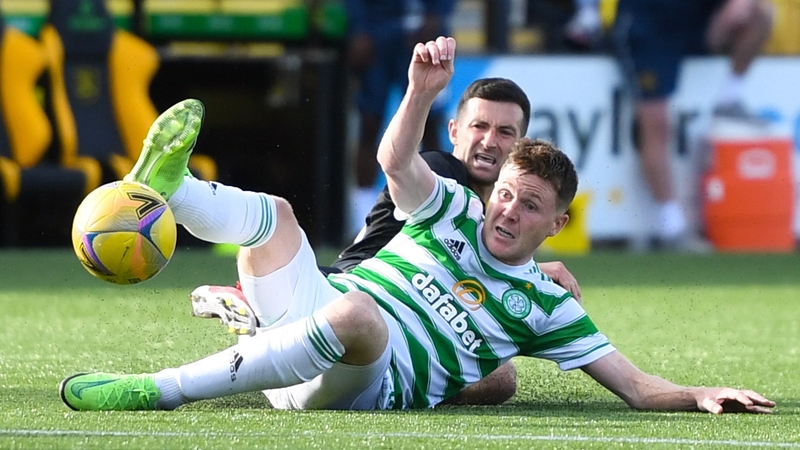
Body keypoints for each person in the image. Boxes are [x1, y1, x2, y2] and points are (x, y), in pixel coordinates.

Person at [60, 37, 775, 415]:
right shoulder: (454, 200)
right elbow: (393, 159)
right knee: (275, 217)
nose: (506, 208)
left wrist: (699, 393)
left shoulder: (550, 304)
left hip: (362, 369)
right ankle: (172, 189)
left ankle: (160, 386)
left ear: (556, 223)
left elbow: (638, 386)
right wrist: (419, 92)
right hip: (324, 308)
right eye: (506, 197)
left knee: (411, 340)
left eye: (527, 206)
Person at [189, 77, 582, 405]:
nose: (490, 141)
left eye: (505, 132)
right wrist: (535, 273)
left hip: (384, 313)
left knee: (500, 378)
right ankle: (247, 324)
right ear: (455, 131)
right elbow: (399, 165)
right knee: (495, 374)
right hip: (350, 290)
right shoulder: (444, 174)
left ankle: (257, 312)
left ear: (519, 145)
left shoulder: (491, 208)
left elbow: (476, 266)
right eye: (480, 126)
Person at [612, 0, 773, 250]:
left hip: (693, 23)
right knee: (656, 125)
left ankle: (729, 98)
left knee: (760, 13)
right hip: (649, 28)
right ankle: (671, 225)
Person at [344, 0, 456, 236]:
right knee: (370, 123)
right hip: (379, 31)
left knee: (431, 125)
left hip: (427, 33)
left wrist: (437, 15)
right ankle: (361, 218)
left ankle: (442, 214)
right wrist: (360, 28)